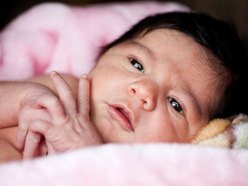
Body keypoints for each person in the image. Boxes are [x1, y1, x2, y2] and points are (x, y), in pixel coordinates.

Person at [0, 12, 247, 162]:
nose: (144, 91)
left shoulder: (137, 173)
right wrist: (23, 98)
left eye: (176, 104)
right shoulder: (64, 91)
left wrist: (89, 159)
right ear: (100, 59)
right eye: (137, 64)